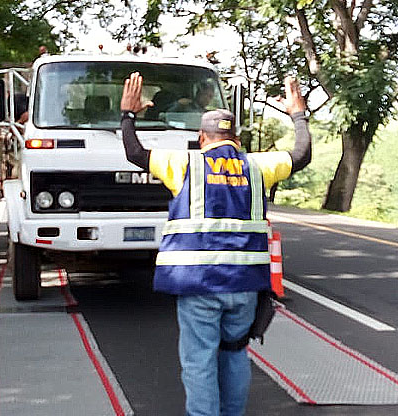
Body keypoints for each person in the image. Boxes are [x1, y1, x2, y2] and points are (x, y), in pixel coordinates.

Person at [120, 73, 312, 416]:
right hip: (246, 287)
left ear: (200, 137)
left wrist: (128, 114)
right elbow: (301, 154)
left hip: (199, 284)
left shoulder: (184, 163)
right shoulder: (257, 166)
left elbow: (134, 152)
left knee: (199, 362)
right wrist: (298, 114)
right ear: (235, 138)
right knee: (235, 352)